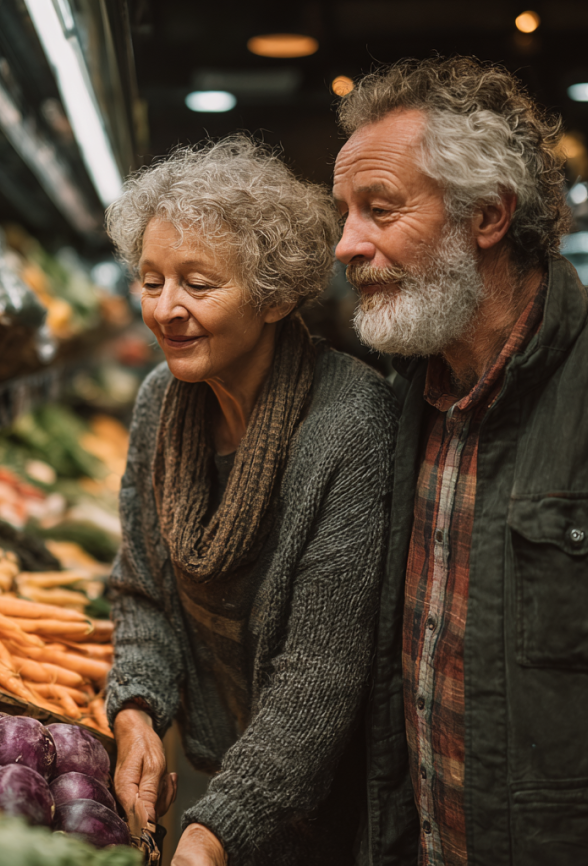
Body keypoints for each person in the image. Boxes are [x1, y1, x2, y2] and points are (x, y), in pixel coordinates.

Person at [333, 55, 588, 866]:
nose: (345, 245)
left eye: (379, 209)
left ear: (489, 215)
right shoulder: (396, 401)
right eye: (344, 213)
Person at [104, 136, 397, 866]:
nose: (167, 309)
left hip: (332, 814)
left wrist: (214, 829)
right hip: (216, 763)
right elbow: (143, 589)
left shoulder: (349, 424)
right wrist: (137, 709)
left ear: (275, 296)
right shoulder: (158, 407)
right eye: (150, 281)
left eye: (198, 285)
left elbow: (319, 676)